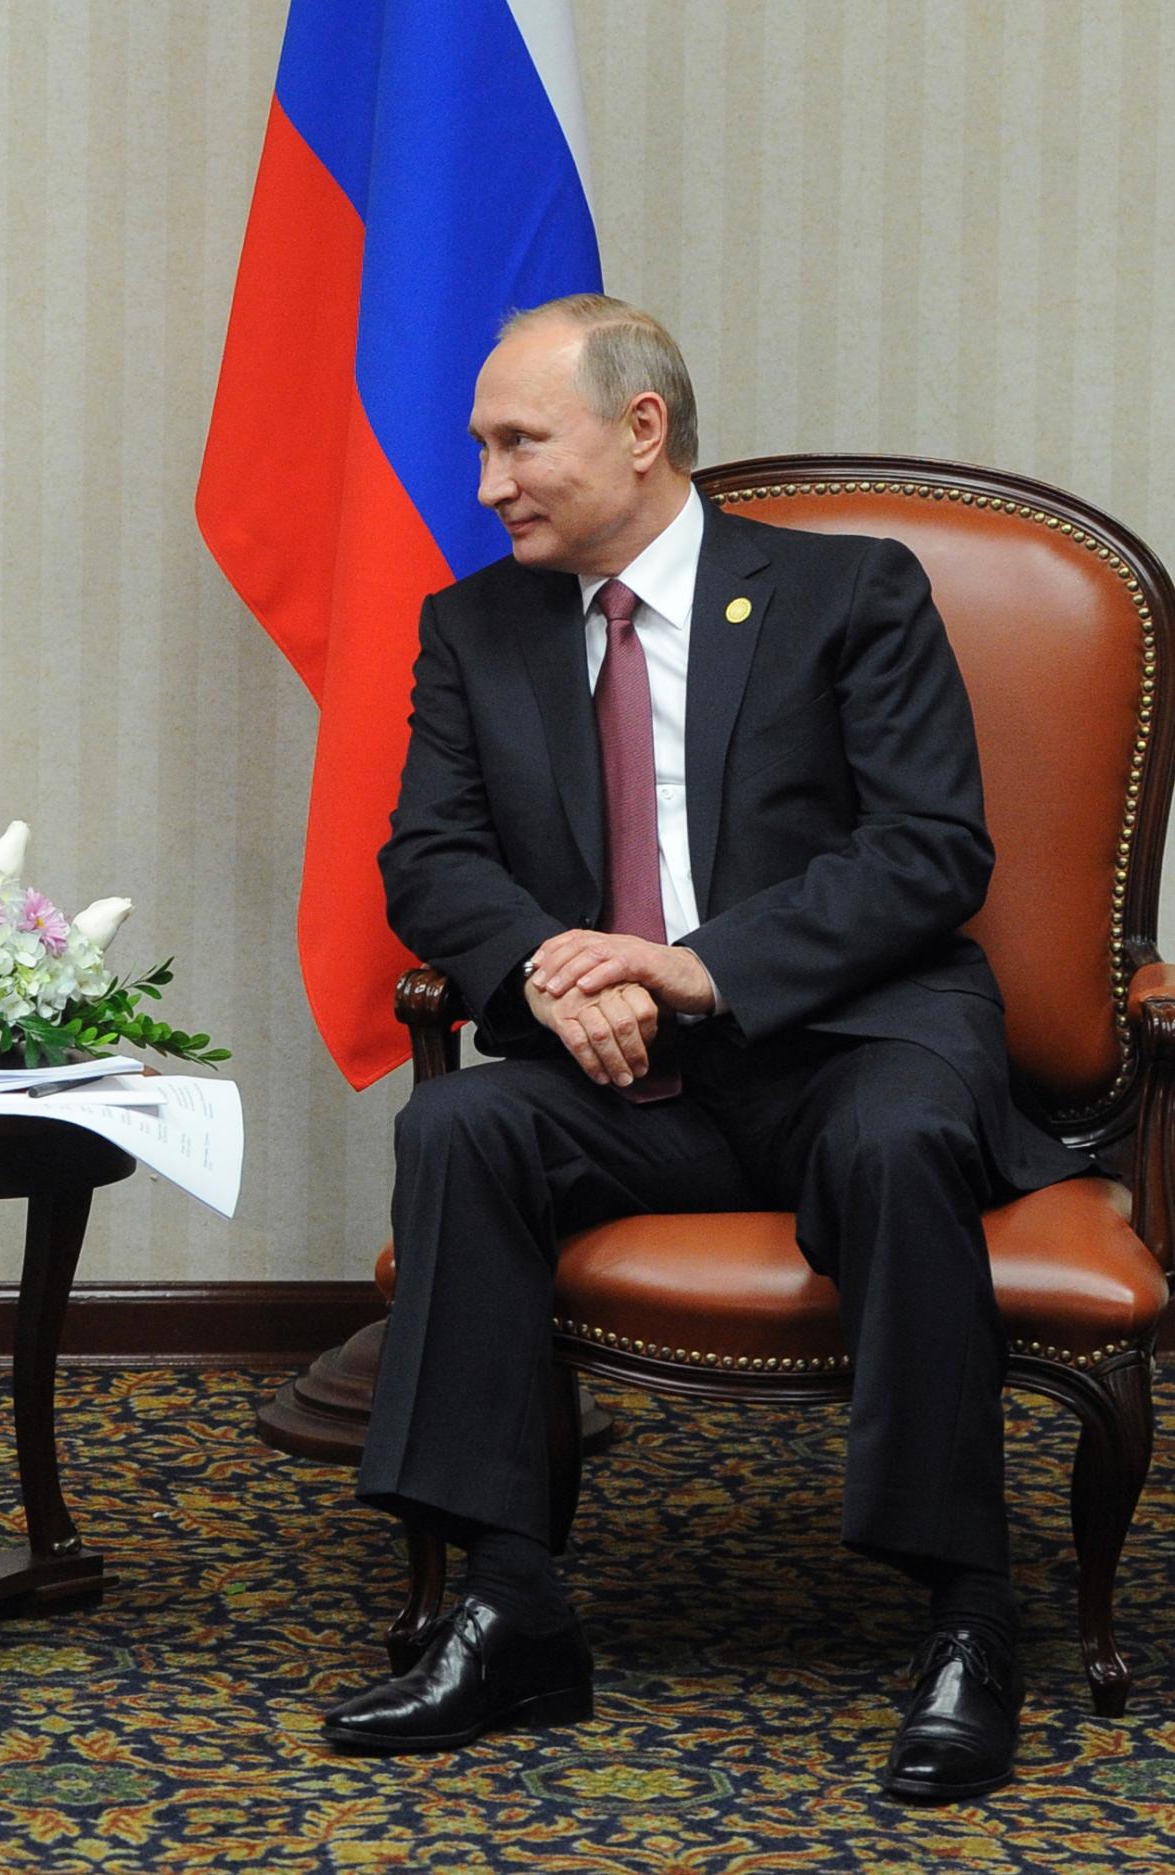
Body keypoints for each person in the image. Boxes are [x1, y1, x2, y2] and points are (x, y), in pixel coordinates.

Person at [324, 294, 1085, 1801]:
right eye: (484, 446)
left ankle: (963, 1615)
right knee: (459, 1128)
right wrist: (554, 969)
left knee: (899, 1136)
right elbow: (431, 857)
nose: (488, 483)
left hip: (847, 1048)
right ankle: (512, 1602)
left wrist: (689, 969)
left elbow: (934, 853)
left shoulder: (847, 594)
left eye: (518, 442)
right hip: (623, 1084)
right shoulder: (476, 626)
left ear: (644, 430)